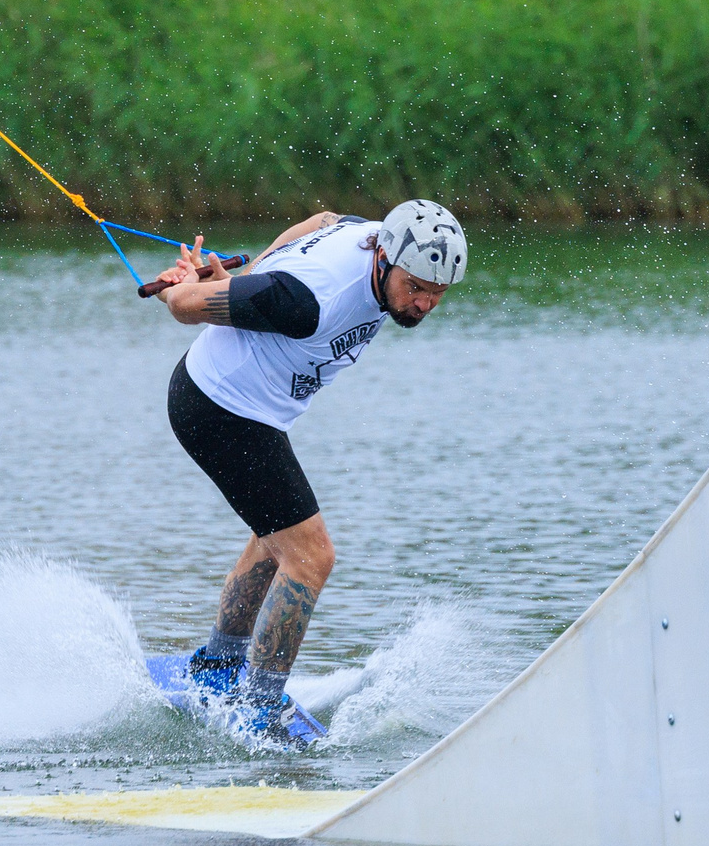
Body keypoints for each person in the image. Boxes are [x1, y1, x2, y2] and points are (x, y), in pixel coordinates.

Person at [144, 200, 469, 739]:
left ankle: (218, 666)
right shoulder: (307, 301)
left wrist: (253, 272)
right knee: (311, 556)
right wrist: (186, 283)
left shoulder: (371, 236)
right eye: (416, 287)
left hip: (249, 409)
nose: (426, 302)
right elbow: (183, 305)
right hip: (220, 409)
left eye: (438, 292)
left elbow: (324, 221)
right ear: (386, 258)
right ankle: (258, 709)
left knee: (278, 539)